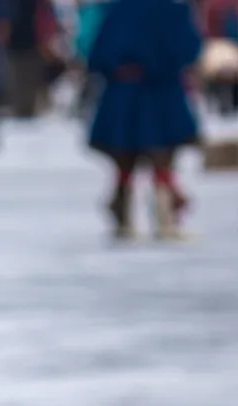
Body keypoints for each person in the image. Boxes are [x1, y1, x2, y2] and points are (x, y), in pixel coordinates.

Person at [86, 0, 201, 238]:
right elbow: (189, 49)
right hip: (161, 92)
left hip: (124, 92)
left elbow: (98, 53)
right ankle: (165, 217)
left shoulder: (116, 9)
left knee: (124, 157)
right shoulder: (173, 10)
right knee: (162, 156)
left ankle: (124, 216)